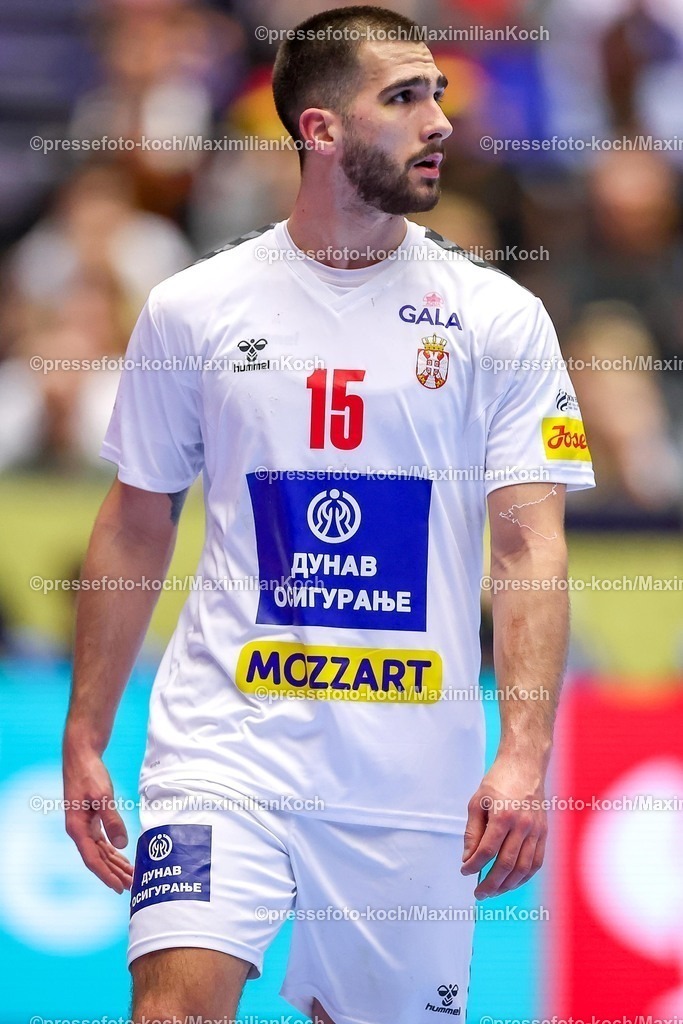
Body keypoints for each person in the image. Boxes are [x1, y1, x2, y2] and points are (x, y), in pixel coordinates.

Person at [62, 7, 595, 1024]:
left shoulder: (493, 317)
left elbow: (529, 540)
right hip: (225, 742)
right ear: (318, 130)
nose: (436, 119)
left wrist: (524, 754)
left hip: (407, 773)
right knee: (171, 1009)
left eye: (435, 93)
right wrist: (87, 732)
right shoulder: (195, 308)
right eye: (402, 97)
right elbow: (136, 518)